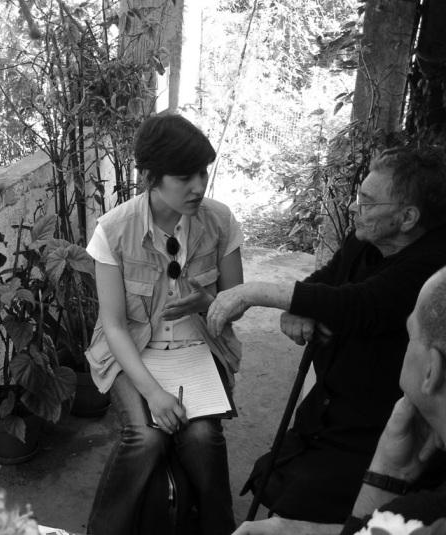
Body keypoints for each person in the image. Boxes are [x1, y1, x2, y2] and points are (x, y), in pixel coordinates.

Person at [205, 145, 446, 523]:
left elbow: (359, 303)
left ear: (407, 217)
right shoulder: (365, 239)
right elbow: (324, 283)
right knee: (279, 477)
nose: (352, 207)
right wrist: (298, 307)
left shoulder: (432, 264)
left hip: (379, 426)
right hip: (329, 408)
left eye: (366, 202)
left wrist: (252, 293)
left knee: (303, 501)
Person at [84, 114, 244, 535]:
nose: (198, 186)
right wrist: (153, 394)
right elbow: (114, 327)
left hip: (199, 350)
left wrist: (208, 302)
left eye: (202, 172)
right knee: (146, 438)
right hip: (134, 354)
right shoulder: (113, 231)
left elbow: (236, 304)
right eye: (185, 176)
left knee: (202, 437)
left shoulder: (220, 221)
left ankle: (219, 527)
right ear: (150, 177)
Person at [232, 266, 446, 534]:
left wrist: (386, 471)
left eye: (410, 334)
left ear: (431, 371)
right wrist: (389, 471)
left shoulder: (427, 516)